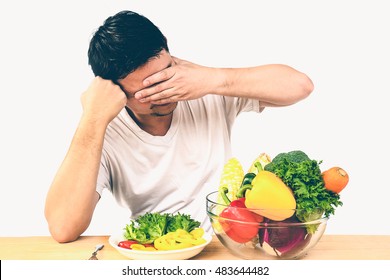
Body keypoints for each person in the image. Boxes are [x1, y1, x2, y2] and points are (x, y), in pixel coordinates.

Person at [44, 10, 314, 243]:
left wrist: (215, 79)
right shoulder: (104, 131)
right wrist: (92, 117)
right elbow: (63, 226)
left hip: (227, 248)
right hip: (154, 254)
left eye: (167, 73)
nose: (166, 92)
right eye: (149, 90)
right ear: (113, 91)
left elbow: (301, 86)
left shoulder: (200, 87)